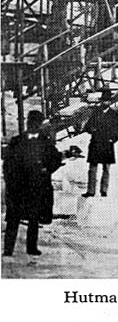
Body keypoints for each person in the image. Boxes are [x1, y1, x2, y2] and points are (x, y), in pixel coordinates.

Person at [3, 110, 64, 256]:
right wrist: (10, 180)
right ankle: (8, 249)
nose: (33, 125)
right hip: (18, 187)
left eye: (36, 123)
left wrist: (46, 169)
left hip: (37, 187)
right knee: (13, 219)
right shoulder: (17, 141)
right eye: (31, 122)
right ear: (28, 123)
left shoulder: (45, 142)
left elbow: (55, 159)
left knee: (34, 218)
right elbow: (8, 163)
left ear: (40, 125)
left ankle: (32, 248)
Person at [82, 88, 118, 197]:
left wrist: (112, 139)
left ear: (110, 102)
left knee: (106, 169)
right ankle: (91, 191)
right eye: (104, 100)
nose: (105, 103)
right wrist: (91, 129)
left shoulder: (114, 115)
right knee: (92, 169)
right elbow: (87, 126)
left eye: (107, 101)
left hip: (107, 144)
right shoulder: (95, 113)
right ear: (101, 101)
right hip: (96, 143)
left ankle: (104, 190)